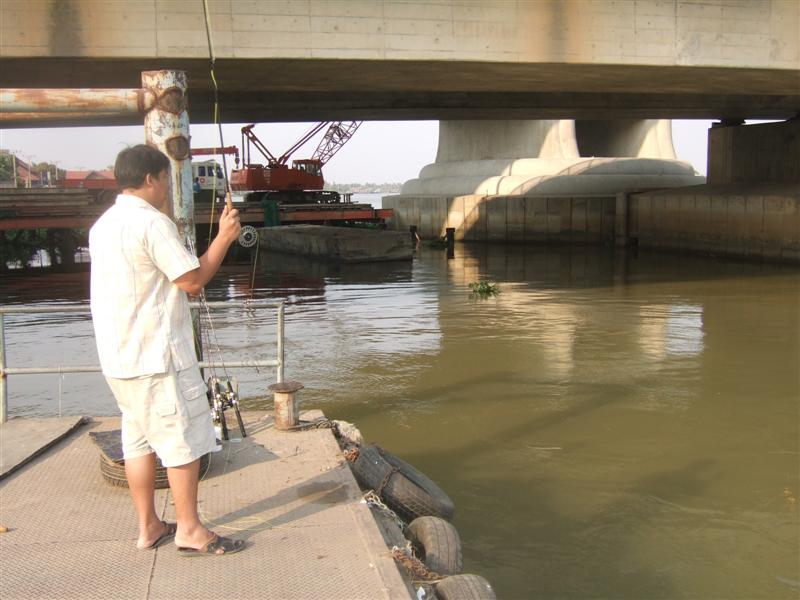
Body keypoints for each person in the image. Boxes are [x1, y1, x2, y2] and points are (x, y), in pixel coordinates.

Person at [89, 144, 244, 556]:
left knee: (137, 443)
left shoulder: (102, 225)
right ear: (151, 179)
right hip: (157, 360)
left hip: (119, 359)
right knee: (182, 442)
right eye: (165, 182)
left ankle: (149, 527)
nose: (167, 191)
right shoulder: (152, 224)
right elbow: (192, 280)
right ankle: (190, 529)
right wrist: (224, 239)